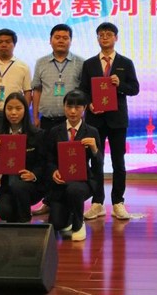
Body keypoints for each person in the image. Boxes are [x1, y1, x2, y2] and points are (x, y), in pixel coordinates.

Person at [80, 22, 139, 221]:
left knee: (118, 162)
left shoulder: (125, 62)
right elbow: (83, 90)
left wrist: (119, 84)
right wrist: (89, 104)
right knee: (96, 161)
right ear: (97, 38)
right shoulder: (89, 64)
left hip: (117, 120)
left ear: (116, 38)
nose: (104, 37)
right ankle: (97, 203)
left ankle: (118, 202)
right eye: (101, 34)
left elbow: (135, 89)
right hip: (95, 120)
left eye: (109, 34)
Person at [30, 23, 84, 216]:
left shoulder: (80, 63)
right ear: (50, 40)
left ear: (71, 40)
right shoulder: (41, 62)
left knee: (68, 161)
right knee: (48, 160)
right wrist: (35, 116)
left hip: (70, 122)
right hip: (47, 120)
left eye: (65, 37)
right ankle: (48, 201)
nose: (61, 40)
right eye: (57, 37)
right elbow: (37, 90)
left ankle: (67, 202)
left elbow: (83, 93)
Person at [47, 89, 103, 242]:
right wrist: (53, 172)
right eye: (69, 106)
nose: (72, 111)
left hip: (82, 182)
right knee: (57, 224)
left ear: (84, 108)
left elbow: (99, 164)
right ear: (64, 107)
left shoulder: (92, 131)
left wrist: (94, 149)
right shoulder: (55, 131)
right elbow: (49, 159)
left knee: (74, 190)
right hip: (61, 181)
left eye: (77, 107)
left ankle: (79, 224)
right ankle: (68, 218)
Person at [0, 92, 47, 222]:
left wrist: (34, 175)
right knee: (3, 211)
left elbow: (44, 162)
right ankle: (18, 215)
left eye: (18, 108)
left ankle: (25, 221)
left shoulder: (37, 134)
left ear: (25, 110)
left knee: (19, 187)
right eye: (9, 108)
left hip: (31, 185)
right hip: (9, 186)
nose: (13, 113)